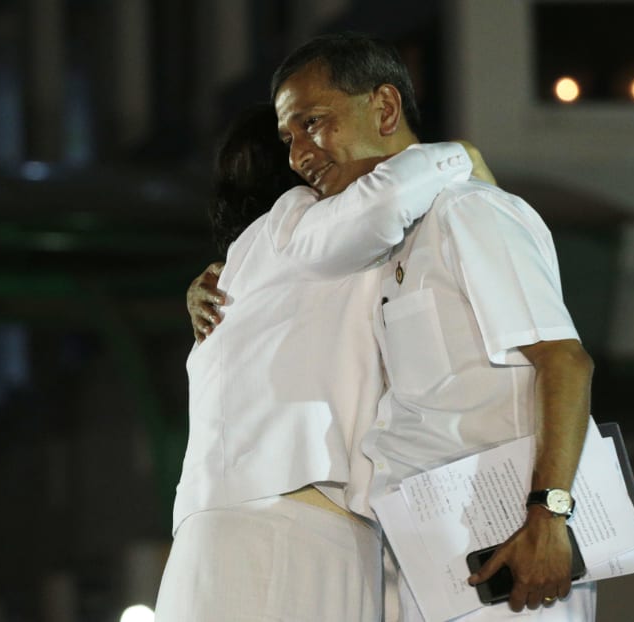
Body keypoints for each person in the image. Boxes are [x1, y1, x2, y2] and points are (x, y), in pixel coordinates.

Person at [192, 32, 597, 620]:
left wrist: (548, 514)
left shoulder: (469, 211)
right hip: (425, 559)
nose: (300, 153)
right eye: (288, 138)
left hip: (511, 548)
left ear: (383, 107)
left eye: (314, 122)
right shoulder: (382, 243)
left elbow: (564, 359)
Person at [155, 101, 476, 621]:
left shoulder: (245, 272)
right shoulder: (297, 220)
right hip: (289, 533)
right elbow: (392, 194)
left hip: (217, 537)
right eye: (297, 139)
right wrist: (460, 155)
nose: (311, 152)